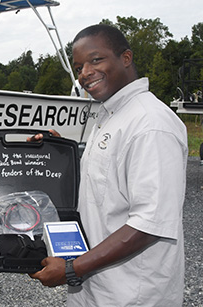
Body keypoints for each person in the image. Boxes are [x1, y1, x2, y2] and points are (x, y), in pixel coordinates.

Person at [29, 24, 188, 306]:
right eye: (79, 67)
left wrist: (70, 269)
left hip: (132, 295)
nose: (85, 73)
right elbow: (106, 185)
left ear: (125, 58)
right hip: (96, 289)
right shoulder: (113, 115)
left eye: (95, 59)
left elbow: (149, 224)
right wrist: (58, 154)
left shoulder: (151, 124)